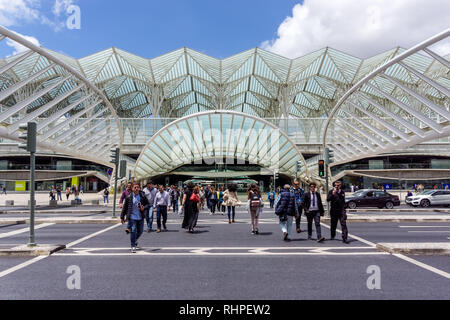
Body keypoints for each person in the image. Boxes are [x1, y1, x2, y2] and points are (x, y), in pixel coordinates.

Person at [120, 183, 149, 253]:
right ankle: (133, 245)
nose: (136, 189)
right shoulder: (129, 197)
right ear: (132, 188)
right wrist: (122, 217)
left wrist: (143, 208)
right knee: (133, 230)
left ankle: (134, 240)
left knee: (140, 231)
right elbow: (125, 207)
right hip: (132, 217)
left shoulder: (142, 196)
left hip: (140, 216)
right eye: (135, 187)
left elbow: (147, 204)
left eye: (138, 187)